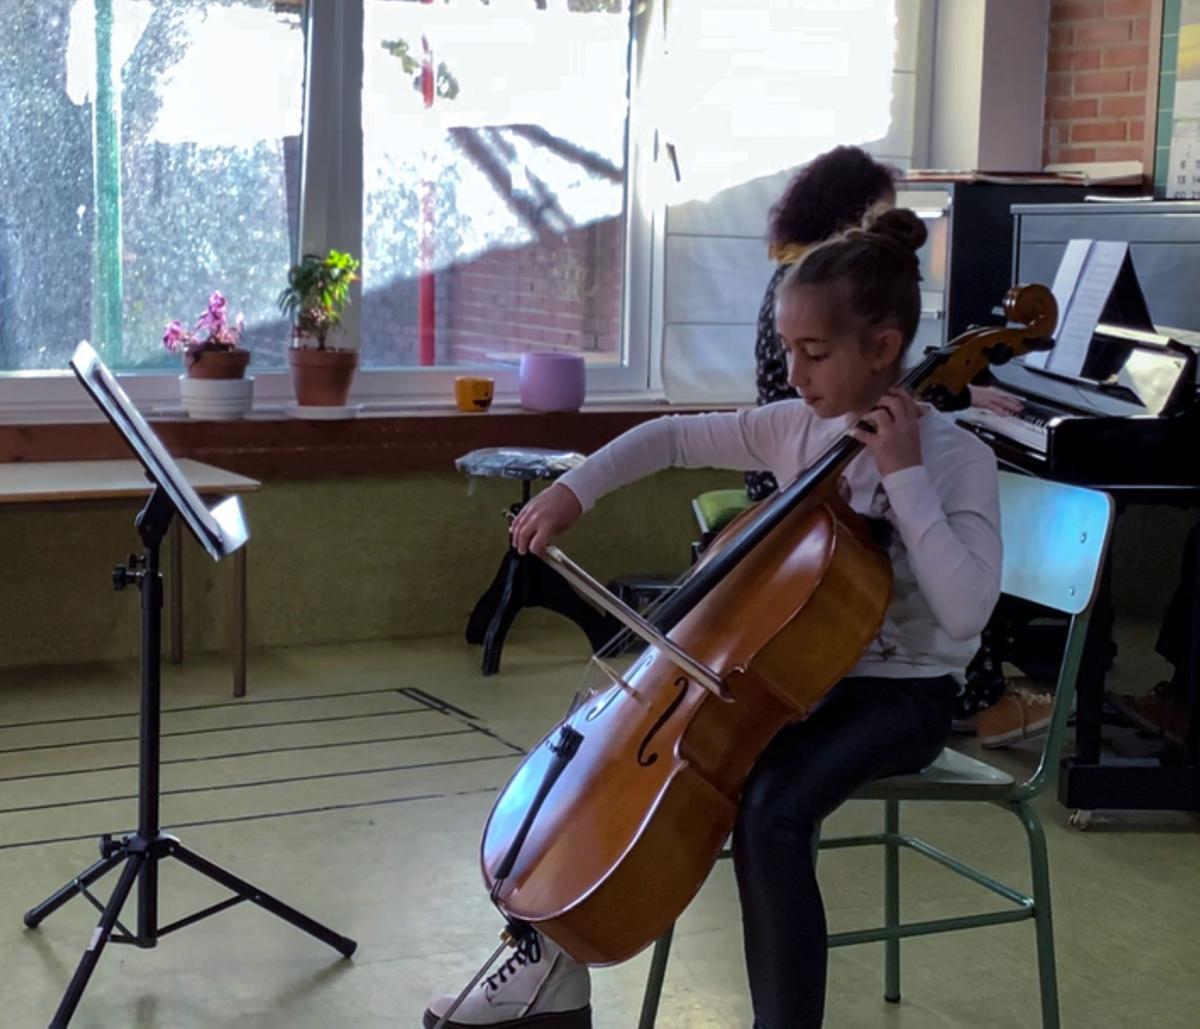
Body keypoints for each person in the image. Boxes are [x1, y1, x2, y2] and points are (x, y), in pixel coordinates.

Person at [422, 206, 1003, 1029]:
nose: (794, 374)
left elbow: (967, 610)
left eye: (814, 353)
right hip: (791, 680)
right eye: (788, 348)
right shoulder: (799, 428)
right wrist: (573, 488)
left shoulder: (954, 457)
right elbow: (669, 437)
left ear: (882, 349)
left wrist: (903, 477)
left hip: (900, 695)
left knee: (770, 806)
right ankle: (549, 966)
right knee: (611, 750)